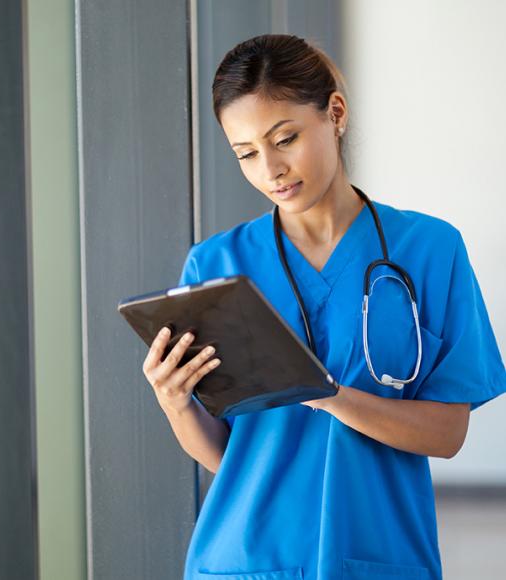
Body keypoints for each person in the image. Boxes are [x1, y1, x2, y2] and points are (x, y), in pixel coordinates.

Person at [142, 34, 506, 580]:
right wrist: (175, 403)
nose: (270, 169)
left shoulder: (430, 250)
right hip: (245, 559)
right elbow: (230, 456)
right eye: (245, 153)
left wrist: (332, 397)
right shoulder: (216, 264)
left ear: (334, 113)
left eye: (284, 138)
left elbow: (447, 434)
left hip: (379, 555)